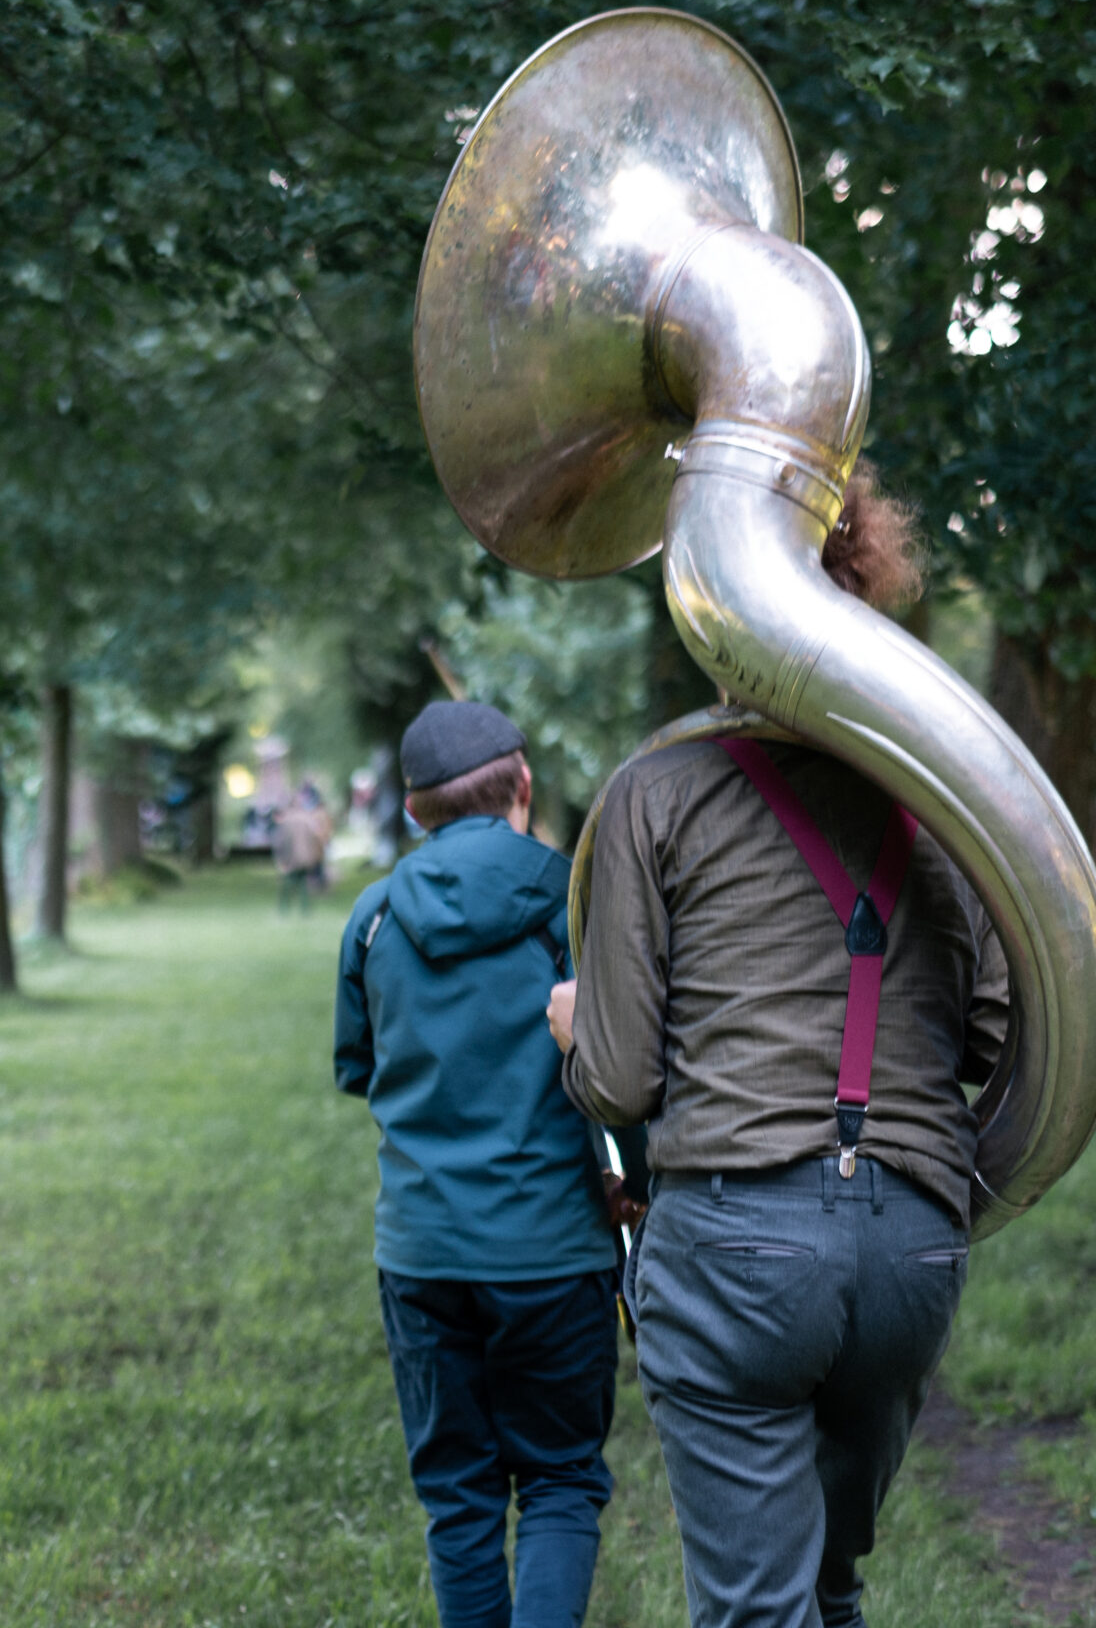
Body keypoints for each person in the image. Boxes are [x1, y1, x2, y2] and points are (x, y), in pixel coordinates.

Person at [552, 478, 1010, 1628]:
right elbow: (999, 1033)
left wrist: (576, 1030)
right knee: (826, 1586)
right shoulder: (950, 805)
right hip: (914, 1247)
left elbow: (619, 1081)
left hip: (736, 1240)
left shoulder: (655, 791)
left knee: (762, 1608)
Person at [333, 701, 622, 1628]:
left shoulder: (374, 917)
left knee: (458, 1495)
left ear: (412, 809)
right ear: (523, 785)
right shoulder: (576, 901)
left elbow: (359, 1067)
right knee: (560, 1479)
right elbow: (623, 1068)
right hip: (553, 1249)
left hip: (422, 1254)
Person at [276, 781, 333, 914]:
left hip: (291, 858)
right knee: (302, 882)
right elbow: (316, 836)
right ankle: (304, 907)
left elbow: (281, 841)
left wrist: (282, 859)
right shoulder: (307, 818)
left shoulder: (286, 820)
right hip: (306, 857)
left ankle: (285, 907)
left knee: (289, 881)